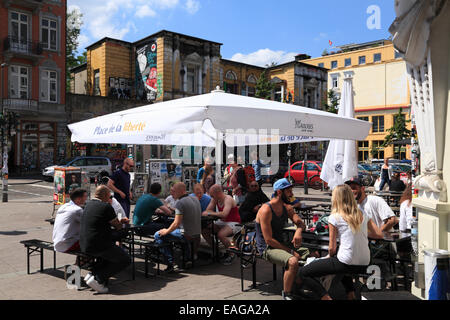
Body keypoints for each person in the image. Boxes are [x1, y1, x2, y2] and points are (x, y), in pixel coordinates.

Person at [298, 184, 384, 300]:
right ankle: (350, 294)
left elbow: (332, 248)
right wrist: (359, 232)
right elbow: (379, 234)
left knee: (303, 272)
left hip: (346, 262)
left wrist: (327, 257)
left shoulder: (335, 217)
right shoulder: (363, 213)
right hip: (365, 262)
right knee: (341, 261)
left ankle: (325, 297)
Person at [255, 178, 309, 300]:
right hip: (268, 248)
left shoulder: (287, 207)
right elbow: (268, 240)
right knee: (293, 261)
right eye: (289, 191)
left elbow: (300, 223)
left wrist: (298, 231)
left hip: (283, 243)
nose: (292, 194)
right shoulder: (266, 210)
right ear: (279, 192)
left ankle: (298, 285)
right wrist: (290, 252)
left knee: (314, 255)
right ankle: (287, 293)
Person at [80, 185, 131, 294]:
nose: (110, 198)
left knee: (108, 256)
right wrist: (121, 222)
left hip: (84, 243)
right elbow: (118, 226)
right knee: (125, 259)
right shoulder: (105, 206)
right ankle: (97, 279)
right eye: (109, 196)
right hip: (99, 244)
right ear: (104, 196)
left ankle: (92, 274)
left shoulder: (87, 204)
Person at [154, 183, 202, 272]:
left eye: (174, 192)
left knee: (158, 234)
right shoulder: (195, 199)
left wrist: (166, 231)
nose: (172, 194)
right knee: (178, 231)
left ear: (181, 191)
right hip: (197, 233)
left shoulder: (180, 203)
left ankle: (170, 263)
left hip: (186, 234)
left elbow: (176, 223)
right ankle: (187, 258)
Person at [202, 184, 242, 265]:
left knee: (221, 234)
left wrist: (212, 213)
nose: (211, 197)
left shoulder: (228, 199)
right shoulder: (215, 199)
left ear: (218, 193)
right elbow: (205, 212)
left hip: (234, 222)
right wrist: (215, 213)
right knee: (204, 231)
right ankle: (217, 251)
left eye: (212, 195)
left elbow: (224, 214)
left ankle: (232, 253)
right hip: (223, 222)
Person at [52, 189, 88, 253]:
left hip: (57, 242)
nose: (86, 199)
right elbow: (89, 224)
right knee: (93, 242)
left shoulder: (63, 206)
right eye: (85, 196)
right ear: (78, 199)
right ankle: (84, 262)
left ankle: (80, 262)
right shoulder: (77, 210)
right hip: (67, 245)